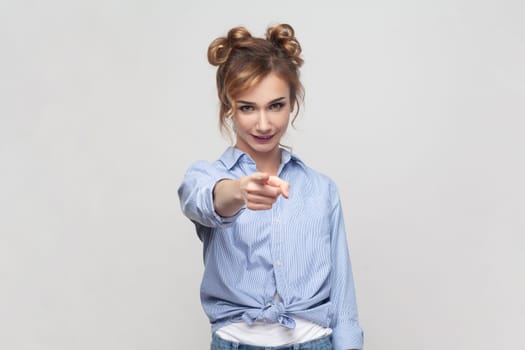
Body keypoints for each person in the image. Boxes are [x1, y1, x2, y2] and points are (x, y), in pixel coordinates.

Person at [178, 23, 364, 350]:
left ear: (293, 103)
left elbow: (342, 291)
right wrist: (238, 193)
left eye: (275, 105)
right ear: (228, 107)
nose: (263, 124)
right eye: (247, 107)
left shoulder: (321, 190)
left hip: (314, 342)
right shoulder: (205, 177)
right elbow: (200, 200)